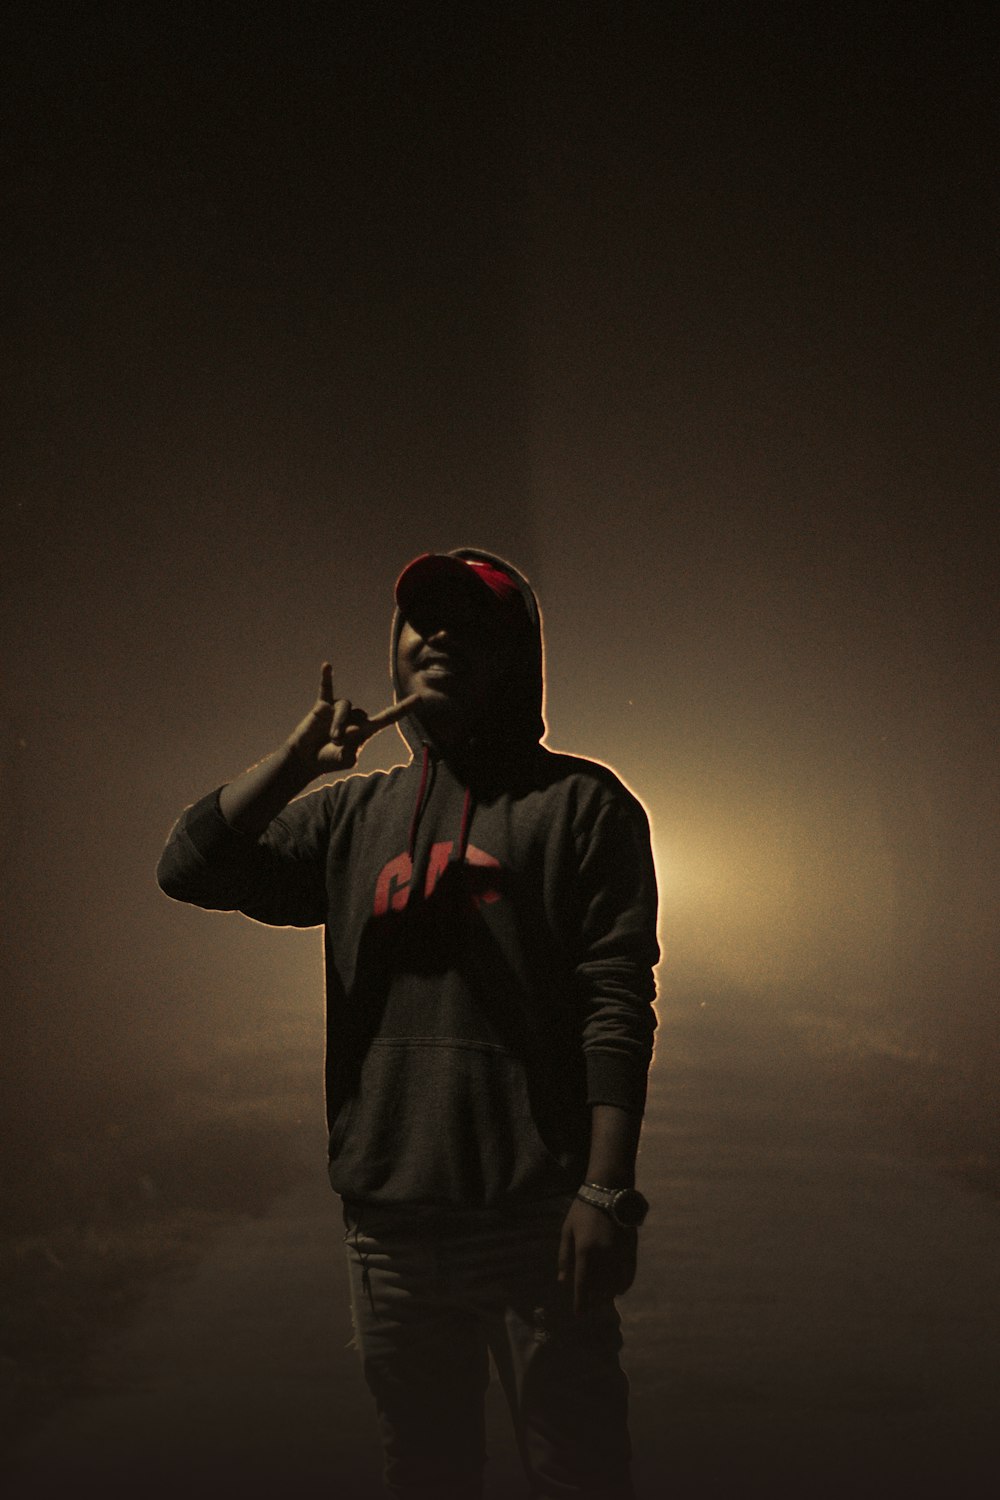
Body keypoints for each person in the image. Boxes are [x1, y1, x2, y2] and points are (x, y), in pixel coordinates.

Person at [157, 547, 659, 1499]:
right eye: (420, 620)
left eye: (469, 624)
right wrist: (297, 761)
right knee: (425, 1472)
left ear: (516, 657)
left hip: (536, 1219)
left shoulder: (584, 807)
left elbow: (617, 1003)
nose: (436, 636)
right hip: (389, 1223)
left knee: (579, 1472)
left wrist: (604, 1192)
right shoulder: (352, 816)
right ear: (393, 650)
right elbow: (189, 867)